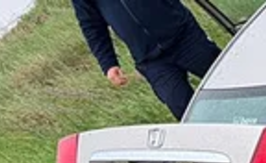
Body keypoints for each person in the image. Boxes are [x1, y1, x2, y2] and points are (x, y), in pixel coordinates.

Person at [71, 0, 221, 120]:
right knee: (182, 109)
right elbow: (91, 26)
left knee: (224, 81)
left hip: (184, 38)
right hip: (151, 60)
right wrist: (108, 64)